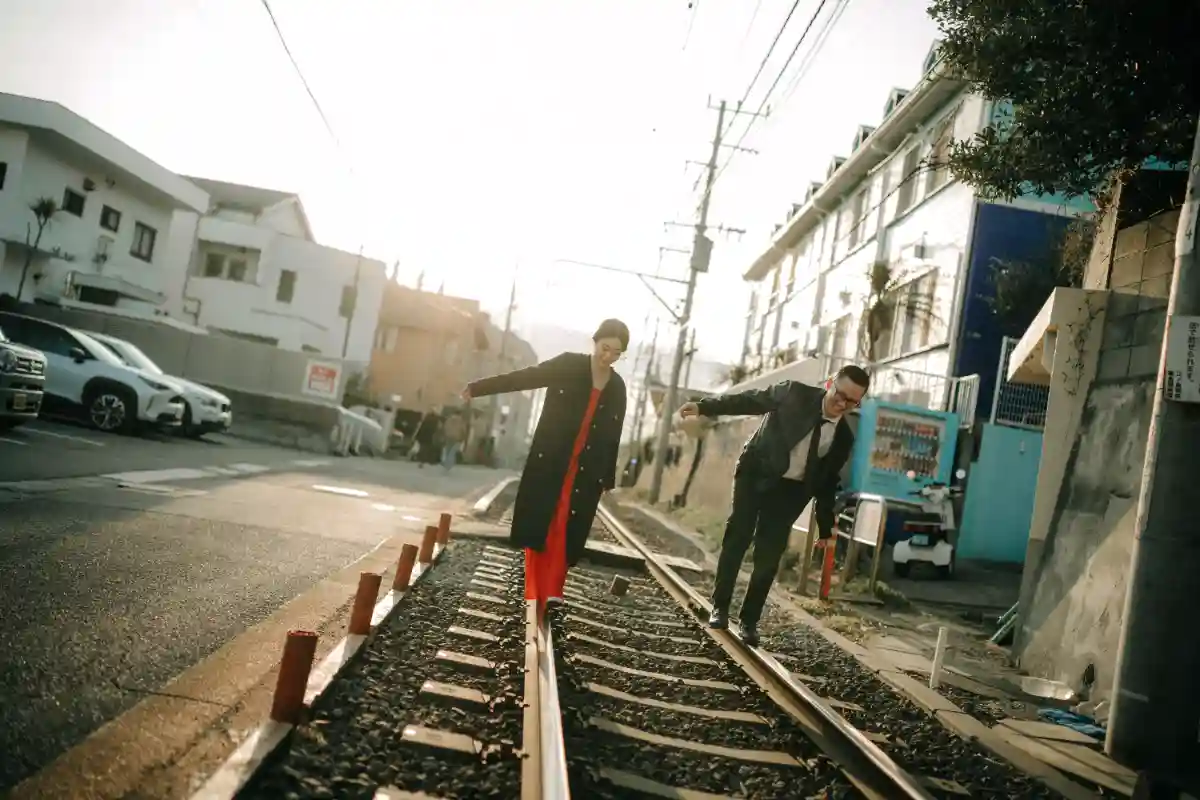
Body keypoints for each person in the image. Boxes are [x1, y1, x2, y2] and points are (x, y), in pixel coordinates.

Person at [679, 365, 869, 646]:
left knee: (769, 555)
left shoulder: (843, 437)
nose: (842, 404)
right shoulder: (793, 393)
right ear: (829, 383)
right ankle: (720, 607)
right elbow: (749, 400)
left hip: (791, 491)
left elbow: (828, 482)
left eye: (851, 401)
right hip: (756, 472)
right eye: (840, 395)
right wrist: (705, 406)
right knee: (739, 535)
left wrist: (826, 526)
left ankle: (749, 621)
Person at [462, 319, 629, 606]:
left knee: (567, 526)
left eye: (616, 353)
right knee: (543, 523)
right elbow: (525, 378)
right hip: (552, 460)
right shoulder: (568, 365)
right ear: (595, 341)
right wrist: (478, 388)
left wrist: (607, 478)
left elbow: (614, 434)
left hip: (586, 469)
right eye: (605, 348)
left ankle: (553, 591)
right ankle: (536, 591)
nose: (608, 357)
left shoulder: (617, 387)